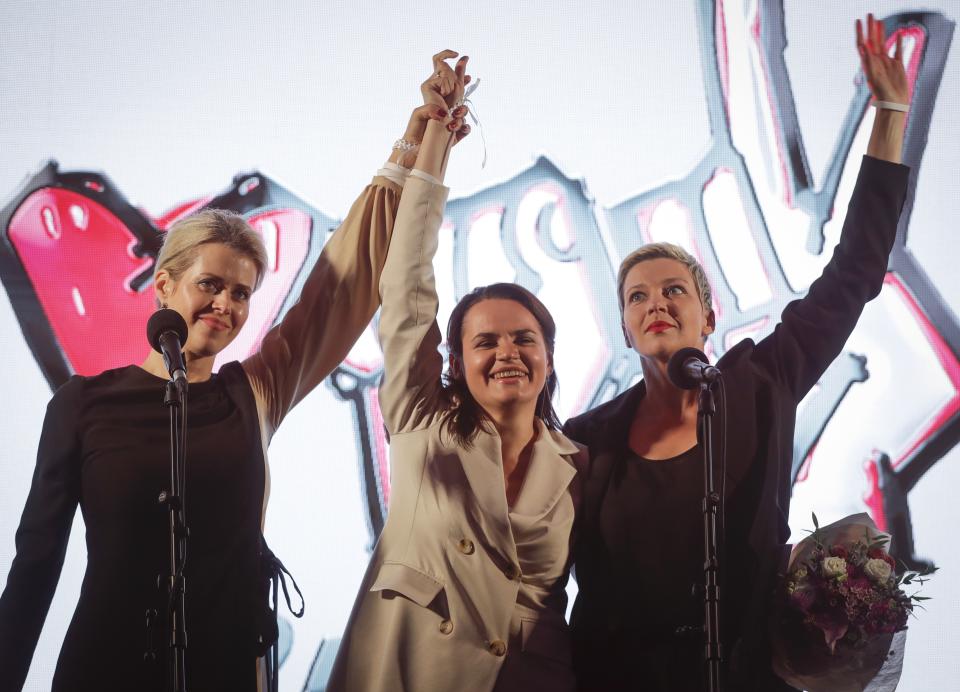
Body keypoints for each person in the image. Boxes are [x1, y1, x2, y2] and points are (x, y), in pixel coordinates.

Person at [0, 58, 452, 691]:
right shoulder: (84, 405)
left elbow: (338, 287)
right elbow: (36, 561)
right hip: (105, 669)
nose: (226, 306)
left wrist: (416, 148)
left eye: (242, 294)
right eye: (210, 285)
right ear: (164, 286)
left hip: (226, 668)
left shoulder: (251, 394)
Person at [563, 14, 912, 692]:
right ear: (626, 327)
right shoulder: (584, 442)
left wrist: (891, 113)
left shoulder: (763, 381)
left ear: (708, 312)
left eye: (673, 290)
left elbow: (855, 272)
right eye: (637, 297)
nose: (656, 303)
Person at [328, 51, 587, 692]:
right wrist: (435, 144)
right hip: (410, 673)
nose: (506, 352)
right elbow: (406, 282)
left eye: (524, 339)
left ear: (548, 357)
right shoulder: (421, 420)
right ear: (456, 359)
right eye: (486, 341)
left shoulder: (581, 461)